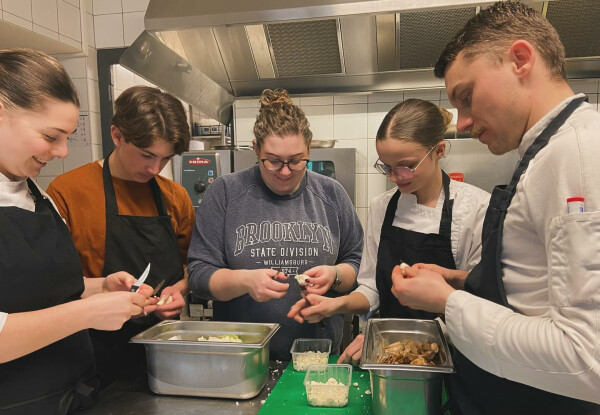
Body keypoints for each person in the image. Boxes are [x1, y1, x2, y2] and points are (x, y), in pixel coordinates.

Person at [390, 2, 600, 413]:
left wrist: (447, 302)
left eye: (466, 98)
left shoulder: (576, 155)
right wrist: (458, 279)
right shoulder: (546, 153)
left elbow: (587, 359)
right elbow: (537, 291)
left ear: (520, 59)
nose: (462, 122)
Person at [0, 48, 155, 414]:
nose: (63, 151)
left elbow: (37, 289)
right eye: (51, 135)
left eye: (67, 136)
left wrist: (100, 287)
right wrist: (87, 314)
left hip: (72, 397)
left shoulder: (36, 194)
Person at [287, 99, 490, 363]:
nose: (395, 177)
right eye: (387, 167)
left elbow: (478, 303)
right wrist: (334, 306)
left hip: (455, 359)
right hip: (390, 357)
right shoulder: (382, 207)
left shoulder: (475, 208)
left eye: (406, 166)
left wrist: (409, 341)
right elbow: (372, 287)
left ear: (438, 151)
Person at [187, 88, 363, 360]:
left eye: (296, 161)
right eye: (273, 161)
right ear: (255, 149)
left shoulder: (331, 194)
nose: (284, 172)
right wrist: (244, 281)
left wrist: (335, 275)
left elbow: (357, 262)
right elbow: (198, 275)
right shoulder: (225, 193)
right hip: (242, 355)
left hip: (317, 356)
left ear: (309, 149)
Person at [46, 85, 194, 387]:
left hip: (162, 350)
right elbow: (51, 285)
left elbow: (191, 267)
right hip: (89, 357)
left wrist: (178, 291)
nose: (155, 168)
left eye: (165, 160)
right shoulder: (67, 192)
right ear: (117, 136)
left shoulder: (175, 196)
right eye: (146, 155)